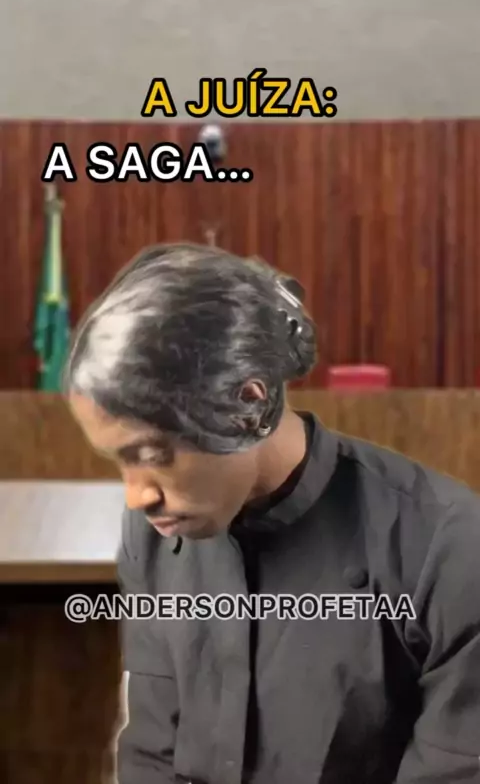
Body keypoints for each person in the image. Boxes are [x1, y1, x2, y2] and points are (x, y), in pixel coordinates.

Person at [65, 243, 480, 784]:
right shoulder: (152, 536)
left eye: (150, 454)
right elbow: (152, 751)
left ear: (248, 406)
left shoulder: (448, 548)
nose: (136, 497)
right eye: (118, 461)